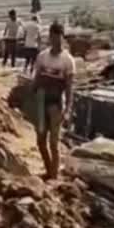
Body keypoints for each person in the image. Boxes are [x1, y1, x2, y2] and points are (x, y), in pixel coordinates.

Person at [33, 21, 75, 181]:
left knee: (54, 143)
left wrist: (68, 108)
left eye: (59, 38)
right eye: (53, 37)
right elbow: (36, 79)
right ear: (49, 37)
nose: (56, 41)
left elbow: (70, 87)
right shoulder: (42, 57)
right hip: (41, 104)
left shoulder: (67, 61)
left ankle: (54, 176)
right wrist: (29, 99)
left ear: (63, 38)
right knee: (40, 141)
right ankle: (49, 170)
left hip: (56, 105)